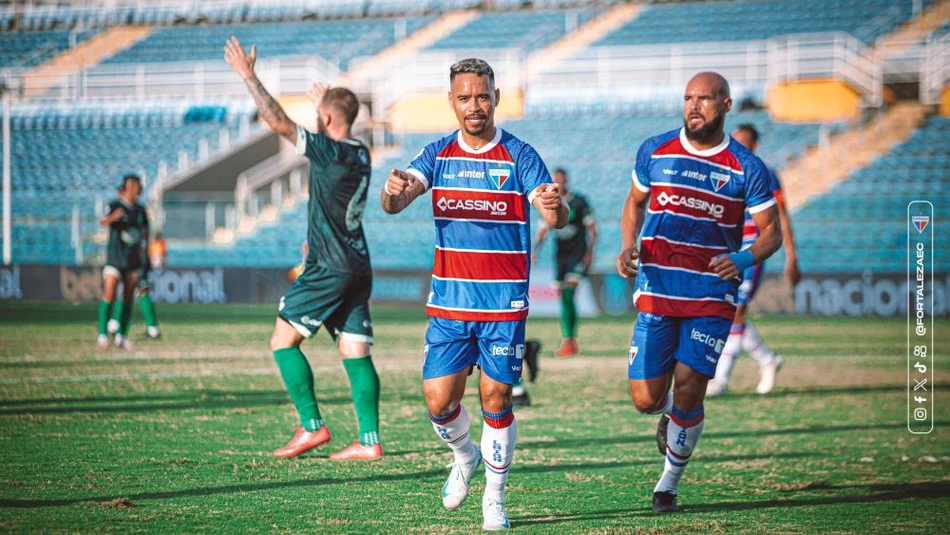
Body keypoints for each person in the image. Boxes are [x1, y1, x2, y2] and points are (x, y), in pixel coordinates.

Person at [380, 58, 568, 531]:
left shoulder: (520, 156)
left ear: (496, 98)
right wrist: (391, 191)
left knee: (498, 399)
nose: (474, 106)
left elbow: (555, 213)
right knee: (440, 404)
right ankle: (465, 456)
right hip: (449, 304)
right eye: (464, 97)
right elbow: (396, 203)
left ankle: (495, 499)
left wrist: (554, 207)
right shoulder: (438, 154)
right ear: (452, 102)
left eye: (482, 96)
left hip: (503, 306)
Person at [616, 72, 782, 513]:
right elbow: (633, 203)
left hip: (711, 292)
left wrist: (743, 259)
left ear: (725, 105)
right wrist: (627, 246)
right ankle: (668, 414)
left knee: (692, 390)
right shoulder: (655, 149)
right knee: (646, 400)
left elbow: (772, 235)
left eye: (705, 99)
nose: (694, 106)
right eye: (689, 98)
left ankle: (667, 485)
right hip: (659, 286)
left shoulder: (747, 167)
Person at [225, 36, 382, 461]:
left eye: (320, 113)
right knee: (354, 349)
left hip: (328, 266)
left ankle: (312, 426)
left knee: (282, 340)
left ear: (327, 116)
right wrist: (328, 107)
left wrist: (249, 75)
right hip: (358, 263)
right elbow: (335, 128)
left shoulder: (328, 150)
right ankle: (369, 441)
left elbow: (277, 121)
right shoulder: (360, 152)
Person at [707, 124, 802, 396]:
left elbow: (781, 217)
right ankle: (768, 359)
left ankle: (721, 379)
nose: (737, 147)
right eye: (733, 142)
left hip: (753, 251)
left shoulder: (766, 174)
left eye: (743, 143)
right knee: (728, 311)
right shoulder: (724, 172)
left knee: (736, 311)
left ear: (754, 146)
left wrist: (791, 257)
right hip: (730, 249)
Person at [532, 168, 597, 357]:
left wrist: (590, 253)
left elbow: (592, 229)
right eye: (555, 181)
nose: (558, 184)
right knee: (564, 296)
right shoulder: (550, 203)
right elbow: (543, 231)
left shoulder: (579, 201)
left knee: (569, 292)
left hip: (578, 254)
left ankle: (570, 340)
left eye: (561, 180)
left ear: (566, 181)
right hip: (561, 257)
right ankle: (568, 339)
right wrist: (535, 251)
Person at [97, 174, 149, 351]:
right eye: (134, 186)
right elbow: (102, 221)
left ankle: (121, 336)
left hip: (133, 260)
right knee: (109, 295)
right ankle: (103, 335)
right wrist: (113, 218)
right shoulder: (115, 206)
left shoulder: (140, 210)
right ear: (127, 188)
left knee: (127, 298)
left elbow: (145, 233)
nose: (137, 189)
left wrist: (144, 254)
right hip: (115, 258)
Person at [108, 230, 163, 339]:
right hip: (136, 259)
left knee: (137, 291)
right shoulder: (139, 223)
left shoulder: (134, 222)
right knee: (138, 291)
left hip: (136, 260)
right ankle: (152, 327)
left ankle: (114, 324)